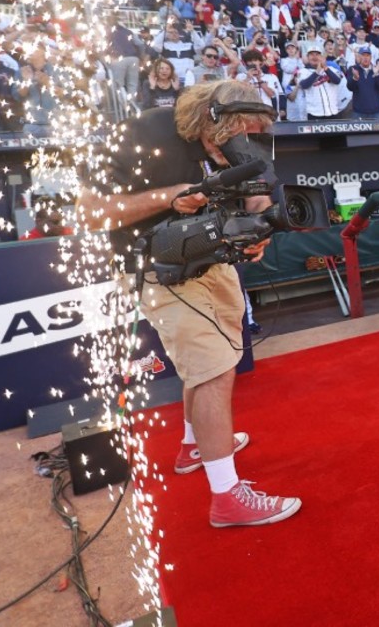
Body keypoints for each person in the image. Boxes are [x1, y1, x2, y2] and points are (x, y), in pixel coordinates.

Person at [76, 80, 301, 528]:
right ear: (209, 117)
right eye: (236, 128)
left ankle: (193, 446)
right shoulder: (144, 132)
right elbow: (89, 210)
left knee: (212, 364)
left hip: (212, 259)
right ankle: (227, 498)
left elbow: (259, 189)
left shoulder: (232, 140)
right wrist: (171, 196)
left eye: (249, 129)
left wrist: (259, 224)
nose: (242, 138)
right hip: (158, 267)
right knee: (213, 371)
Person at [299, 42, 349, 119]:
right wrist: (317, 72)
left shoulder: (332, 69)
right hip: (314, 114)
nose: (314, 57)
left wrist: (325, 68)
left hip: (333, 112)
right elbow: (304, 85)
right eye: (311, 54)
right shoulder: (303, 71)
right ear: (308, 57)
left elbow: (337, 81)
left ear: (322, 57)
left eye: (317, 54)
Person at [345, 45, 379, 119]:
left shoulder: (377, 69)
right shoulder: (353, 69)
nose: (365, 58)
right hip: (358, 112)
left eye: (368, 55)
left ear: (371, 57)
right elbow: (350, 87)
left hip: (375, 112)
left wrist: (376, 74)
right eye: (363, 55)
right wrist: (355, 78)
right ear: (359, 57)